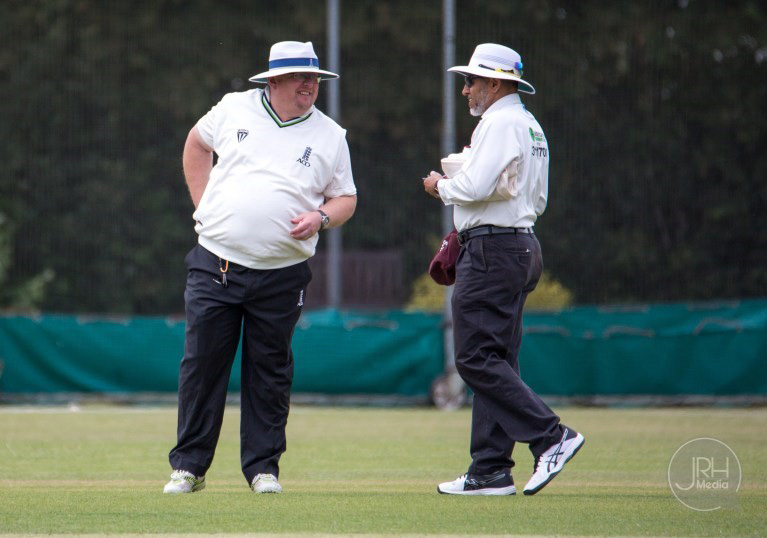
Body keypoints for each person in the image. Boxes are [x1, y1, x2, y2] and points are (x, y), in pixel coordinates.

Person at [164, 41, 357, 494]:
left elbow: (346, 197)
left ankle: (262, 469)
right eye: (300, 77)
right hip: (216, 263)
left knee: (270, 370)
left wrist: (321, 217)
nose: (310, 85)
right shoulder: (234, 108)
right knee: (202, 365)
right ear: (273, 81)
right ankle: (189, 467)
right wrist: (204, 205)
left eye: (315, 78)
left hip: (283, 274)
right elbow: (196, 143)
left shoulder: (331, 135)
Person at [423, 43, 584, 496]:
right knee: (497, 359)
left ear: (494, 83)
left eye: (471, 80)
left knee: (473, 358)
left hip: (493, 250)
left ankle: (552, 437)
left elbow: (474, 186)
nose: (465, 89)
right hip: (521, 245)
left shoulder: (499, 122)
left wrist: (441, 186)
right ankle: (490, 469)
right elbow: (531, 198)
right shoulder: (530, 125)